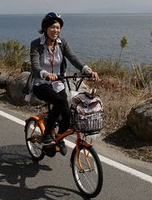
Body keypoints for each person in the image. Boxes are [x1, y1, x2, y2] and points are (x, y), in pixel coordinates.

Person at [28, 12, 99, 152]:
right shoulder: (36, 44)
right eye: (53, 27)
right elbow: (35, 66)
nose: (56, 30)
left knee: (67, 114)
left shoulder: (62, 43)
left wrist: (87, 70)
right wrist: (45, 74)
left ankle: (59, 138)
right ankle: (47, 134)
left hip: (58, 83)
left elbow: (73, 58)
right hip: (40, 84)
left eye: (58, 27)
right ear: (45, 28)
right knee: (59, 102)